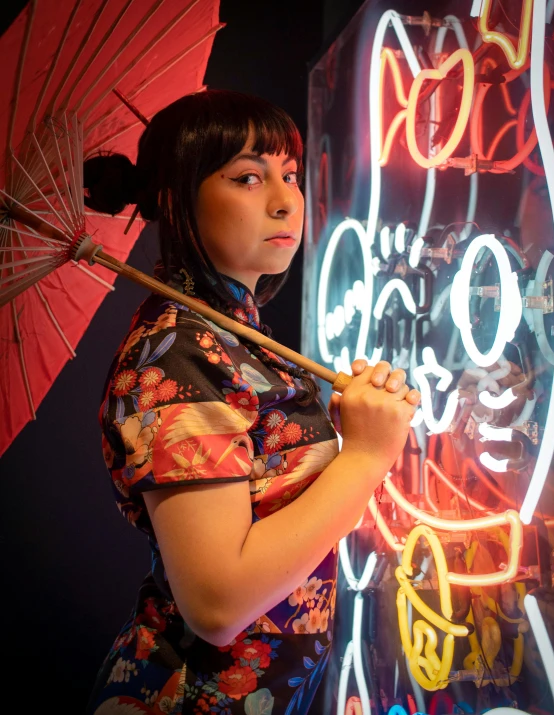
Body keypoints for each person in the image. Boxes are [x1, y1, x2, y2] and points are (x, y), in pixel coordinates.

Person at [84, 90, 420, 715]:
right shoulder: (176, 355)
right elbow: (218, 604)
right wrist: (366, 457)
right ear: (174, 198)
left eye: (289, 175)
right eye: (246, 177)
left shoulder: (229, 337)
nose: (284, 198)